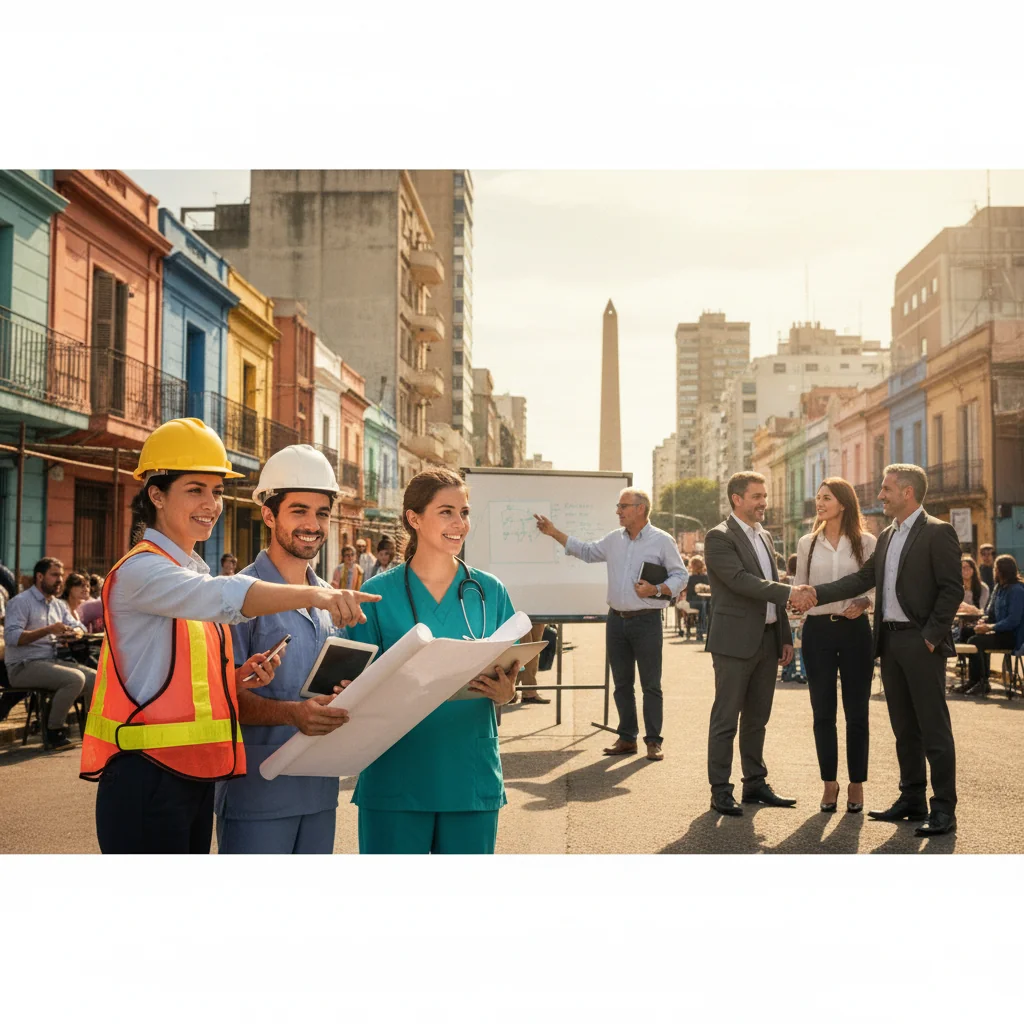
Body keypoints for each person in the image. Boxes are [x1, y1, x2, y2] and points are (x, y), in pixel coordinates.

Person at [79, 417, 380, 855]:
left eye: (217, 491)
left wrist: (236, 678)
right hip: (145, 775)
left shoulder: (192, 569)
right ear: (156, 494)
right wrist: (318, 593)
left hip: (194, 775)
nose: (211, 503)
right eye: (195, 489)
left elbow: (181, 677)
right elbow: (223, 595)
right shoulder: (141, 569)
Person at [350, 468, 519, 854]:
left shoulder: (490, 592)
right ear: (414, 518)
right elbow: (355, 689)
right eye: (446, 512)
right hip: (395, 775)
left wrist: (506, 693)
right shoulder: (376, 595)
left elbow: (512, 679)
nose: (460, 523)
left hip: (469, 773)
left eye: (465, 512)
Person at [795, 463, 963, 838]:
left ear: (907, 492)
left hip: (920, 642)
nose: (880, 495)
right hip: (888, 642)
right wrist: (816, 594)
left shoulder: (938, 531)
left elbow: (952, 589)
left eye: (887, 489)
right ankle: (912, 799)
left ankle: (944, 809)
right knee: (904, 727)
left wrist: (932, 636)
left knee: (933, 727)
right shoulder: (887, 535)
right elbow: (862, 579)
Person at [216, 445, 355, 854]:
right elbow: (221, 697)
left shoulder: (330, 599)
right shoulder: (235, 596)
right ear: (269, 514)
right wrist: (291, 714)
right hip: (257, 794)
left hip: (318, 791)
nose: (313, 524)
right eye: (299, 511)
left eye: (322, 513)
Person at [534, 488, 687, 762]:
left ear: (640, 509)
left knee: (651, 684)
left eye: (623, 506)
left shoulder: (662, 541)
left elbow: (681, 575)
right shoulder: (614, 539)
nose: (618, 511)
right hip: (616, 620)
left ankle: (653, 741)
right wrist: (554, 532)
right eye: (618, 506)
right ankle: (627, 738)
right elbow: (587, 551)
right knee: (621, 684)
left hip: (647, 621)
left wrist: (657, 589)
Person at [704, 472, 797, 816]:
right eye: (756, 496)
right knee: (726, 718)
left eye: (764, 496)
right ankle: (721, 789)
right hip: (733, 643)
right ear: (736, 499)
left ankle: (754, 783)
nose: (763, 503)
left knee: (758, 718)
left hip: (768, 640)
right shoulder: (719, 537)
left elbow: (770, 585)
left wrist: (784, 635)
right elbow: (742, 582)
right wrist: (790, 592)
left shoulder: (766, 537)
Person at [793, 478, 877, 815]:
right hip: (817, 632)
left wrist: (865, 603)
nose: (819, 503)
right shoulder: (806, 543)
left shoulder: (867, 542)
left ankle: (856, 782)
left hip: (855, 631)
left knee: (857, 711)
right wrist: (795, 608)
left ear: (843, 503)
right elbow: (799, 587)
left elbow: (876, 585)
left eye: (825, 497)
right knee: (822, 712)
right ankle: (830, 782)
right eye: (817, 497)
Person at [3, 558, 95, 750]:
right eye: (55, 575)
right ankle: (54, 731)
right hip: (23, 665)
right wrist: (48, 630)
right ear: (39, 576)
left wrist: (73, 633)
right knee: (75, 679)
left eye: (61, 575)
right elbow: (12, 637)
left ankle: (90, 730)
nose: (60, 580)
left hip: (49, 661)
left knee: (94, 677)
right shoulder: (21, 602)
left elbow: (79, 627)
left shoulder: (57, 605)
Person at [960, 554, 1024, 696]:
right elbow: (990, 612)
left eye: (996, 569)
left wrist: (990, 627)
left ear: (1003, 571)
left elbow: (1013, 620)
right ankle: (973, 680)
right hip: (998, 631)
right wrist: (983, 622)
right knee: (966, 632)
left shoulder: (1017, 590)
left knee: (976, 641)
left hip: (1012, 636)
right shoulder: (998, 588)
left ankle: (983, 681)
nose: (994, 571)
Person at [683, 555, 710, 641]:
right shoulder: (706, 577)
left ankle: (700, 631)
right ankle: (702, 630)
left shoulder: (690, 578)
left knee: (703, 604)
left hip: (693, 601)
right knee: (704, 605)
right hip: (699, 602)